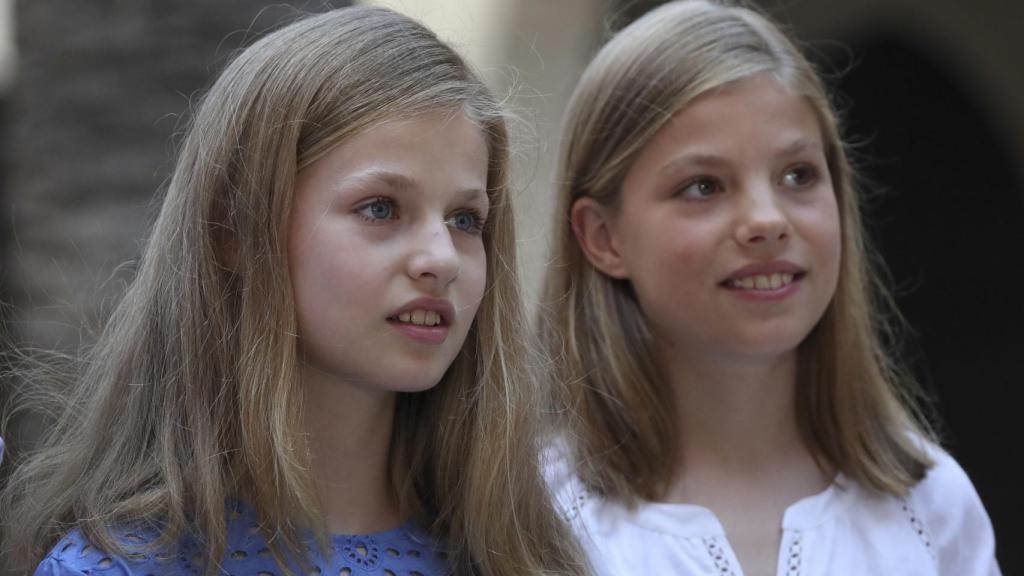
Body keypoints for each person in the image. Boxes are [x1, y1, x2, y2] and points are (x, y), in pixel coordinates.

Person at [0, 6, 585, 576]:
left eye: (464, 219)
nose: (440, 259)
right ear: (235, 232)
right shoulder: (123, 566)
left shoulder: (524, 555)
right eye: (380, 208)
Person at [539, 1, 1000, 574]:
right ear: (603, 237)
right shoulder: (533, 521)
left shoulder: (929, 508)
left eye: (797, 175)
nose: (767, 219)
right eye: (703, 185)